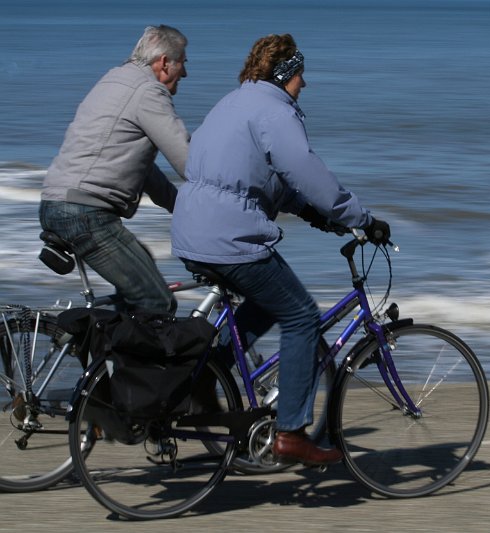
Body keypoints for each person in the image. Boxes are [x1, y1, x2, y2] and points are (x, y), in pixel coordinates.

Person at [170, 33, 391, 465]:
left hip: (193, 231)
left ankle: (207, 371)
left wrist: (312, 215)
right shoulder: (275, 111)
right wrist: (359, 217)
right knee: (302, 315)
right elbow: (306, 170)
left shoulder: (233, 103)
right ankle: (291, 431)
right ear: (286, 74)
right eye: (301, 74)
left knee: (271, 302)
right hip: (228, 236)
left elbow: (255, 177)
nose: (304, 84)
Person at [40, 25, 190, 314]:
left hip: (59, 202)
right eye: (183, 62)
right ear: (164, 62)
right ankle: (126, 357)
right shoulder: (147, 92)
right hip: (84, 214)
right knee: (156, 301)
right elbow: (188, 161)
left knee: (141, 276)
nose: (185, 73)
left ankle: (106, 354)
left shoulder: (114, 80)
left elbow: (144, 171)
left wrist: (182, 207)